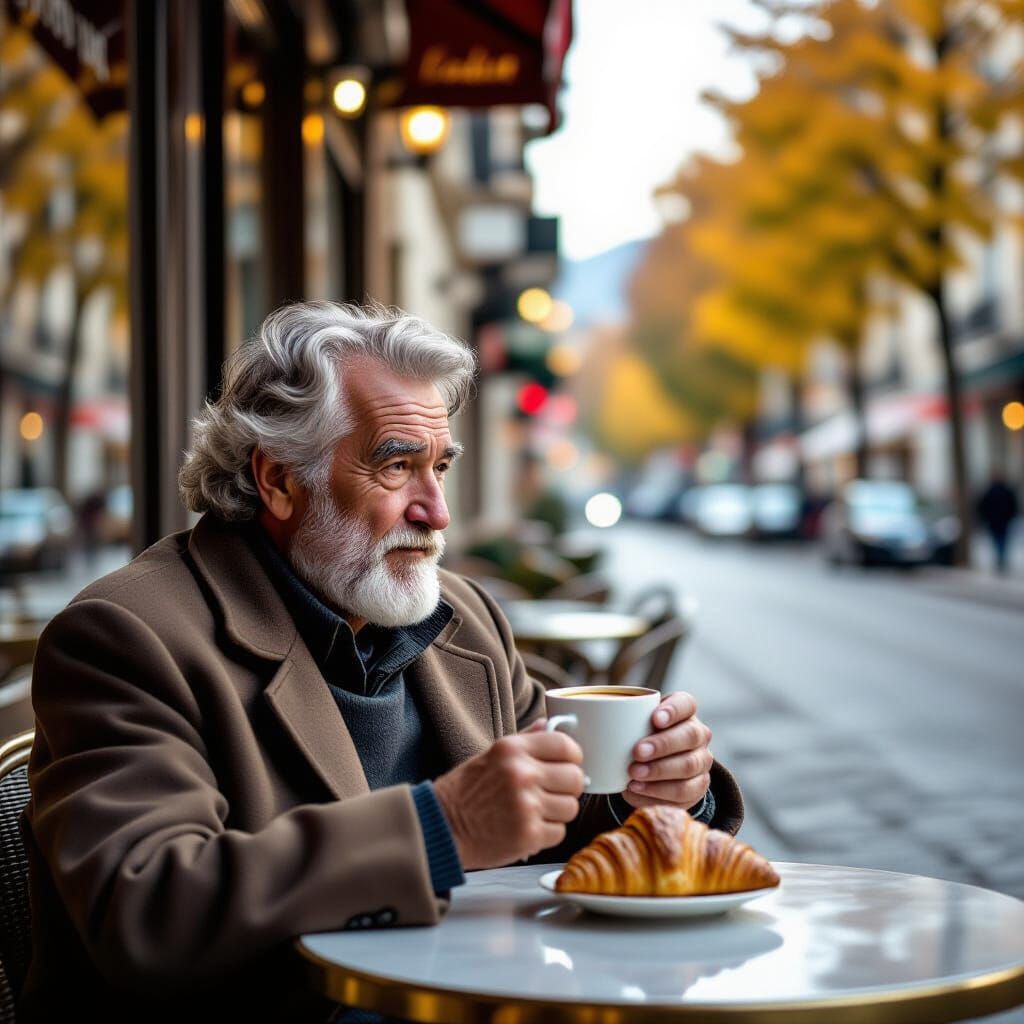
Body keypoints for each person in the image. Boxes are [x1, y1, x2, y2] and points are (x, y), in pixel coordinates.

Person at [20, 303, 743, 1023]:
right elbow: (149, 913)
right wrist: (443, 829)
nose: (436, 512)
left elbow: (546, 819)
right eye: (397, 466)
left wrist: (647, 793)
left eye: (440, 468)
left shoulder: (464, 617)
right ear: (278, 480)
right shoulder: (128, 635)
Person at [977, 473, 1019, 574]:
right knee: (1003, 540)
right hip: (1004, 521)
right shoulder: (1007, 491)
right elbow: (1013, 505)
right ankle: (1001, 558)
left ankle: (999, 558)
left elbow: (982, 506)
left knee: (997, 540)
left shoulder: (989, 492)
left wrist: (985, 518)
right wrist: (1010, 516)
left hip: (993, 522)